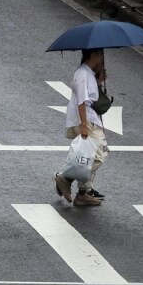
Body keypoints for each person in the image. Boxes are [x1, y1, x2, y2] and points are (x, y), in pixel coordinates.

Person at [54, 48, 108, 207]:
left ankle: (83, 193)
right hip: (87, 120)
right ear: (93, 55)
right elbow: (82, 102)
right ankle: (65, 178)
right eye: (100, 55)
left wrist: (99, 79)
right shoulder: (83, 74)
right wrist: (84, 125)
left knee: (88, 156)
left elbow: (90, 96)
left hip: (92, 119)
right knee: (97, 157)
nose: (102, 59)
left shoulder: (88, 73)